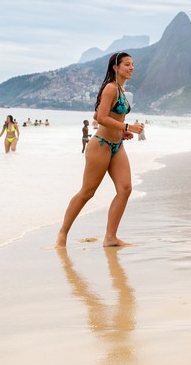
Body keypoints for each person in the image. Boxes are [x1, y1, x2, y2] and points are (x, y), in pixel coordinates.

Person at [56, 52, 145, 248]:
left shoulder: (120, 89)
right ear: (116, 67)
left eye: (132, 65)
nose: (131, 68)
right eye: (127, 65)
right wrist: (127, 127)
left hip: (116, 145)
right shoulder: (111, 88)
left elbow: (99, 113)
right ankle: (62, 234)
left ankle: (111, 237)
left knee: (125, 189)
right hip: (101, 145)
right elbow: (101, 118)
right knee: (87, 192)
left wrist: (121, 133)